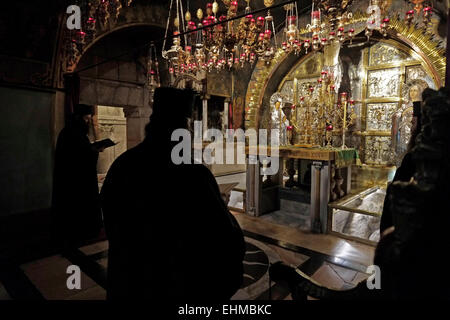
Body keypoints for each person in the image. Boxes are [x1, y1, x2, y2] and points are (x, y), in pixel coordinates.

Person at [100, 87, 245, 301]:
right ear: (183, 132)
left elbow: (113, 223)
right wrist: (221, 206)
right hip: (177, 287)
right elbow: (227, 241)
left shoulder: (122, 166)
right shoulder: (194, 175)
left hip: (129, 285)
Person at [52, 104, 104, 250]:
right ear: (79, 118)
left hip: (74, 179)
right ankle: (80, 232)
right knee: (77, 208)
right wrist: (95, 151)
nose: (88, 122)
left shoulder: (69, 132)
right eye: (86, 119)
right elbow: (79, 158)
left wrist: (92, 150)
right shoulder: (73, 134)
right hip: (75, 182)